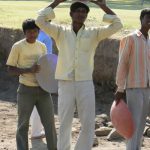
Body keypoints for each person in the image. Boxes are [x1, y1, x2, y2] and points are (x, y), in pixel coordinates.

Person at [36, 0, 123, 149]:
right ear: (71, 14)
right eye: (78, 11)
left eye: (84, 11)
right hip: (65, 82)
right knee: (64, 122)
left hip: (85, 83)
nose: (81, 13)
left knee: (88, 122)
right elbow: (39, 20)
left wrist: (103, 6)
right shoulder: (60, 31)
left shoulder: (94, 33)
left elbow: (118, 25)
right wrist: (57, 1)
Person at [6, 19, 57, 150]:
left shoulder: (42, 46)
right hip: (25, 90)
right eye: (29, 32)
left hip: (44, 90)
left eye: (35, 31)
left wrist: (53, 83)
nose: (32, 34)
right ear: (24, 32)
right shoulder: (17, 46)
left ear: (39, 31)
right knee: (23, 125)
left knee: (50, 124)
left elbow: (46, 66)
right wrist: (29, 70)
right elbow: (10, 69)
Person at [115, 8, 150, 150]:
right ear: (141, 19)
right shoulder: (130, 38)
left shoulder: (149, 41)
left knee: (141, 124)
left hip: (147, 88)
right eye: (148, 18)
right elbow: (122, 64)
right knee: (132, 124)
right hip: (133, 87)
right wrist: (120, 88)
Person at [30, 29, 53, 139]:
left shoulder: (31, 34)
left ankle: (34, 131)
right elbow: (47, 59)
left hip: (29, 72)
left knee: (31, 102)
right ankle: (36, 132)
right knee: (40, 103)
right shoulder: (46, 38)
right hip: (41, 73)